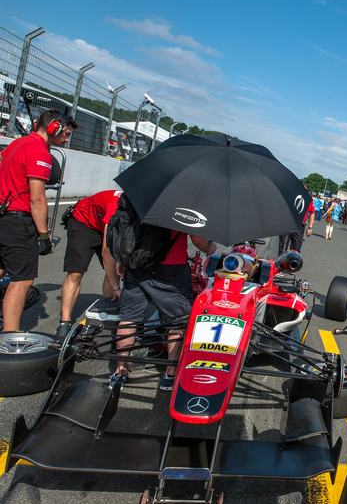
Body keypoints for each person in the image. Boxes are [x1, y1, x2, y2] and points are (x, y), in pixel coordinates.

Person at [0, 110, 76, 333]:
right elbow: (37, 198)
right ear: (54, 128)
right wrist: (44, 235)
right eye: (65, 133)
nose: (65, 139)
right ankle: (10, 336)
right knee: (22, 280)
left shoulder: (16, 144)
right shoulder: (39, 152)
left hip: (3, 216)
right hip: (18, 221)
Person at [111, 231, 216, 390]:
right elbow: (197, 239)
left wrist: (123, 258)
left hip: (137, 262)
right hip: (171, 268)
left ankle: (121, 371)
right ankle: (170, 373)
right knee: (177, 322)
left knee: (129, 318)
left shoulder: (141, 204)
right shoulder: (181, 205)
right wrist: (210, 247)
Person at [58, 189, 123, 336]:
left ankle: (108, 312)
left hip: (102, 222)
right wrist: (116, 287)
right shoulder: (116, 206)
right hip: (83, 222)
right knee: (75, 273)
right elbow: (106, 251)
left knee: (112, 270)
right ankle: (64, 322)